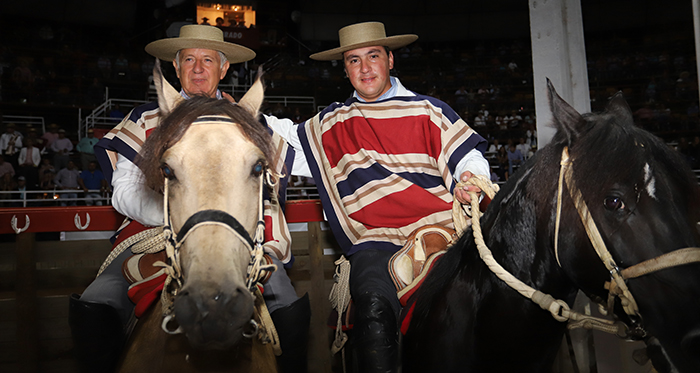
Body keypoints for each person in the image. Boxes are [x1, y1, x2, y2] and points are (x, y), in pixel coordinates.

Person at [78, 24, 308, 373]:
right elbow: (124, 193)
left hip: (240, 240)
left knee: (288, 307)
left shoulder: (252, 124)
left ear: (224, 67)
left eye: (207, 59)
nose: (198, 68)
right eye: (189, 59)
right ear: (176, 66)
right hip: (150, 236)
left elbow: (312, 159)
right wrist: (185, 218)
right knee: (97, 303)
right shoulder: (144, 120)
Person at [266, 21, 489, 373]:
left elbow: (466, 155)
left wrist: (470, 179)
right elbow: (283, 136)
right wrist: (236, 114)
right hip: (376, 240)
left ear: (390, 60)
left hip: (441, 230)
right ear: (345, 69)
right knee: (371, 301)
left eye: (373, 56)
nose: (365, 67)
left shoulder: (429, 110)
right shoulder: (333, 123)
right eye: (354, 60)